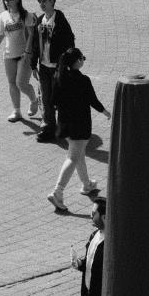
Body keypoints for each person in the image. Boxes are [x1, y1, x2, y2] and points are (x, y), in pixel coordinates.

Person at [48, 48, 106, 212]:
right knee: (73, 157)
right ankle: (57, 191)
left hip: (65, 124)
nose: (83, 61)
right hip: (80, 125)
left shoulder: (58, 78)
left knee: (78, 154)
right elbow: (92, 100)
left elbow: (53, 101)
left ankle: (87, 185)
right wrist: (105, 111)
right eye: (82, 58)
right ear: (77, 61)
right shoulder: (83, 80)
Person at [28, 0, 76, 145]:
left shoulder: (60, 21)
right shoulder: (40, 21)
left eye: (45, 1)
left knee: (59, 98)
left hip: (57, 68)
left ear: (52, 2)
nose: (42, 4)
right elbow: (36, 43)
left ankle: (63, 126)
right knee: (46, 97)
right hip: (43, 66)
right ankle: (48, 126)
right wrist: (33, 64)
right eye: (40, 1)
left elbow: (69, 44)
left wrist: (66, 65)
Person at [0, 0, 39, 122]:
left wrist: (27, 52)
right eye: (5, 0)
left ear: (17, 0)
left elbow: (32, 35)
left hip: (24, 55)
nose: (6, 2)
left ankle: (34, 100)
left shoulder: (26, 15)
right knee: (12, 83)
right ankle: (17, 111)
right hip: (9, 54)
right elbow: (0, 34)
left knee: (21, 83)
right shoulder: (3, 16)